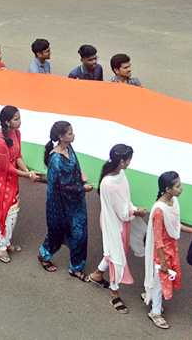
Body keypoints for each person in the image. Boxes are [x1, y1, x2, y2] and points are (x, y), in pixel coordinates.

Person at [90, 144, 147, 313]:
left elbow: (124, 204)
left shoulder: (119, 174)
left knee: (113, 253)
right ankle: (114, 294)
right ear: (122, 161)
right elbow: (123, 212)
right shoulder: (109, 183)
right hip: (115, 224)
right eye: (129, 160)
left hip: (120, 223)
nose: (130, 163)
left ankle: (97, 274)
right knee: (117, 257)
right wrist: (137, 212)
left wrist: (134, 211)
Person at [0, 106, 43, 263]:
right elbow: (6, 168)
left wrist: (28, 172)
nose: (20, 121)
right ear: (7, 121)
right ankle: (1, 246)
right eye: (16, 119)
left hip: (11, 180)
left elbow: (18, 156)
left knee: (11, 212)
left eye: (20, 117)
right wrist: (27, 175)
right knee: (5, 213)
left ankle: (6, 242)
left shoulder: (16, 133)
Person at [38, 120, 92, 280]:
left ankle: (76, 267)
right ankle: (44, 255)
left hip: (76, 202)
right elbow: (61, 188)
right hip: (60, 205)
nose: (73, 135)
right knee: (56, 233)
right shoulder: (55, 160)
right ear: (61, 137)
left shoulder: (69, 148)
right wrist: (83, 189)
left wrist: (81, 176)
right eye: (70, 133)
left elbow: (75, 167)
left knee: (80, 234)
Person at [143, 171, 184, 329]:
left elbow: (174, 225)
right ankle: (155, 312)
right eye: (178, 186)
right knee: (161, 281)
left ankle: (150, 295)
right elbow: (158, 239)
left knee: (160, 280)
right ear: (168, 189)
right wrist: (164, 261)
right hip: (162, 253)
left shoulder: (173, 202)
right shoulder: (159, 210)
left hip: (171, 247)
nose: (181, 188)